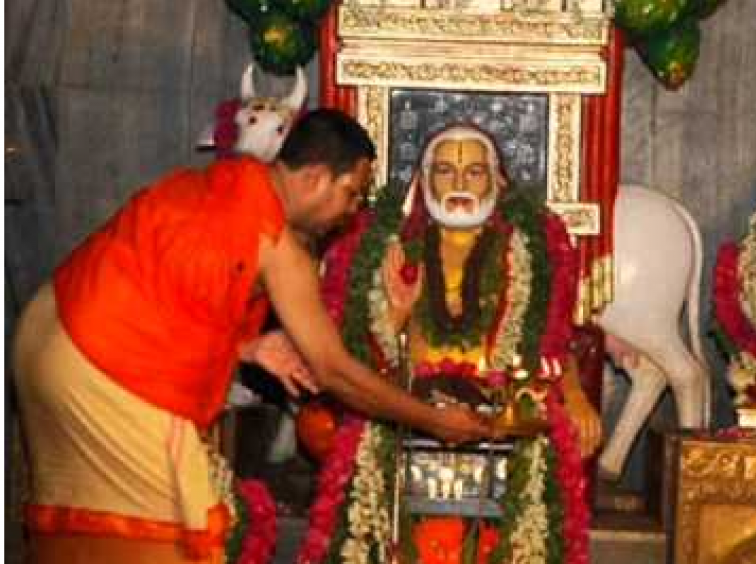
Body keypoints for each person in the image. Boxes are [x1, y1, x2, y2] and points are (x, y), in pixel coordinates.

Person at [11, 109, 490, 564]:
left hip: (46, 331)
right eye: (351, 193)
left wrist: (249, 347)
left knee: (80, 520)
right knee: (170, 528)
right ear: (315, 178)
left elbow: (169, 292)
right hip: (104, 364)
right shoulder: (276, 241)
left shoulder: (215, 185)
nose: (351, 212)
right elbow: (335, 371)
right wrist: (434, 420)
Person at [293, 124, 600, 564]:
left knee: (540, 440)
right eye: (444, 171)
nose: (459, 185)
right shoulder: (391, 246)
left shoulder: (528, 249)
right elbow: (351, 356)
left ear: (497, 181)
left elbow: (551, 343)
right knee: (362, 440)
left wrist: (573, 395)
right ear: (424, 181)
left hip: (500, 410)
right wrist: (395, 317)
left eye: (474, 172)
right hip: (407, 408)